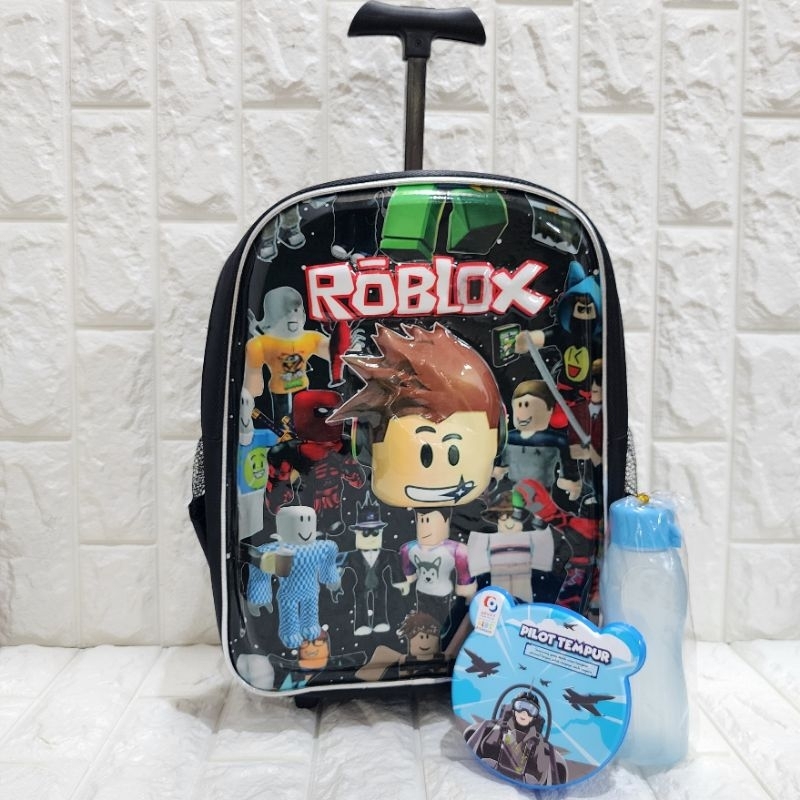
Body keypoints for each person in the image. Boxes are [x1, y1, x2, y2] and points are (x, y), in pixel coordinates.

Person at [464, 691, 567, 786]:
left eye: (531, 710)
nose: (524, 713)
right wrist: (497, 733)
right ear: (513, 709)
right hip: (489, 775)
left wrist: (536, 750)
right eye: (520, 706)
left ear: (535, 716)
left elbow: (541, 770)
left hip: (523, 785)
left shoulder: (538, 741)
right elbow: (483, 748)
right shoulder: (496, 727)